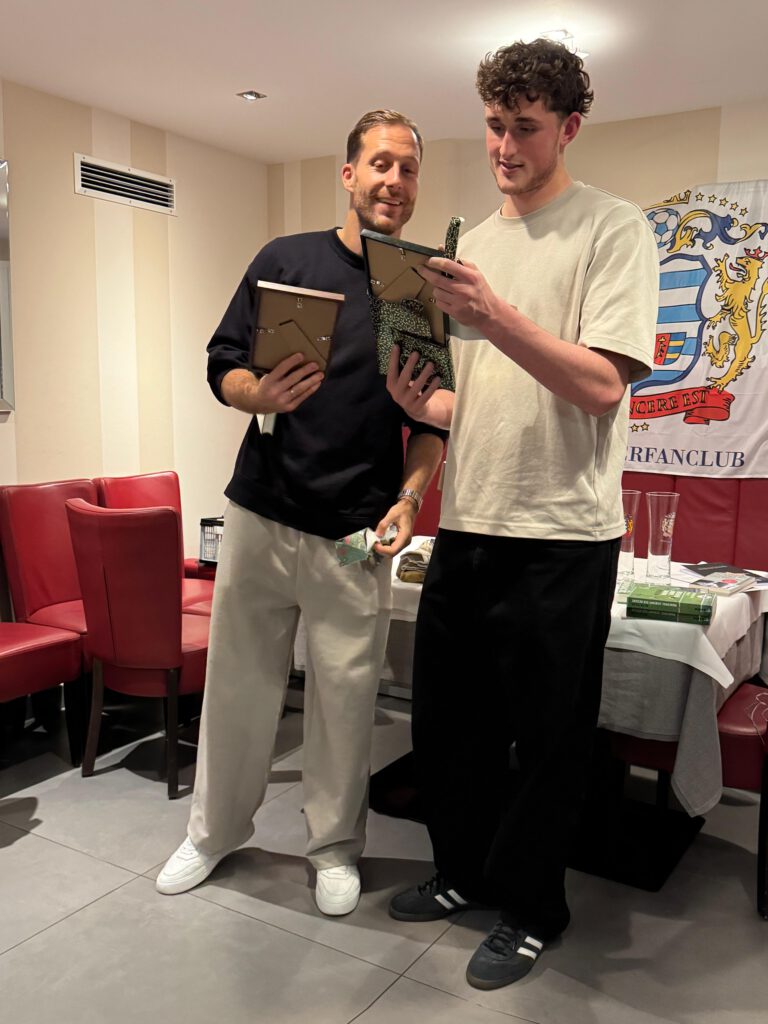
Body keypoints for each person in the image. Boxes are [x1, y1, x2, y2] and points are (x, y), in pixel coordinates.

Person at [386, 39, 658, 988]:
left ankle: (536, 908)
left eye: (526, 128)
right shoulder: (469, 246)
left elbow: (600, 386)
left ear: (569, 127)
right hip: (468, 522)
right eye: (494, 125)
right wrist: (426, 404)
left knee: (548, 743)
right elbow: (480, 401)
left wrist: (494, 315)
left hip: (563, 536)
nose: (504, 146)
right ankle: (463, 873)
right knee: (447, 728)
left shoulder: (614, 230)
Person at [156, 110, 445, 916]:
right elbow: (222, 363)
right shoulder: (284, 259)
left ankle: (335, 849)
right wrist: (258, 392)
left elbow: (430, 424)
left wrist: (410, 498)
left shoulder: (415, 290)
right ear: (349, 174)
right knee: (238, 688)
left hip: (356, 531)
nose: (394, 181)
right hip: (262, 510)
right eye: (380, 164)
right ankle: (212, 833)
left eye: (408, 169)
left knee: (346, 702)